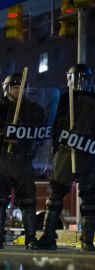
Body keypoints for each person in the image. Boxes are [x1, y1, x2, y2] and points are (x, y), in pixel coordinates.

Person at [37, 64, 95, 251]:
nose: (80, 83)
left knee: (90, 200)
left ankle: (87, 240)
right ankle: (47, 236)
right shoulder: (63, 99)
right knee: (55, 197)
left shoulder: (93, 100)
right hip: (65, 151)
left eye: (83, 79)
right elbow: (53, 125)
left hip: (88, 152)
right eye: (76, 78)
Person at [0, 74, 47, 250]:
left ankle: (30, 238)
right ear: (6, 89)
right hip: (2, 160)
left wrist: (30, 142)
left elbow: (41, 135)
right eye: (14, 87)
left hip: (24, 161)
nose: (18, 90)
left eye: (21, 87)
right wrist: (3, 137)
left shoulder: (35, 110)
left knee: (28, 201)